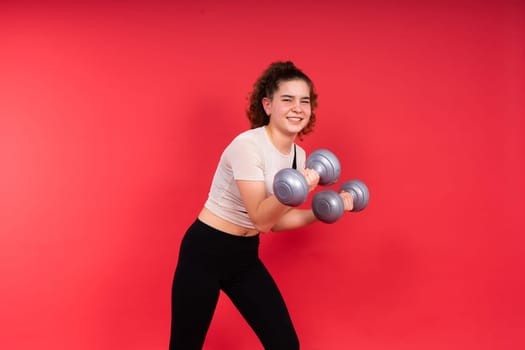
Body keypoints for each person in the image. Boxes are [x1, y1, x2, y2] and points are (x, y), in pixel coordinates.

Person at [169, 61, 354, 349]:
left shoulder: (299, 157)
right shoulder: (248, 146)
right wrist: (301, 187)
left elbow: (277, 221)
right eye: (287, 99)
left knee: (285, 345)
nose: (298, 108)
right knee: (185, 346)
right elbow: (260, 218)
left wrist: (325, 211)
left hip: (243, 257)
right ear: (267, 105)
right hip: (205, 252)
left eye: (304, 101)